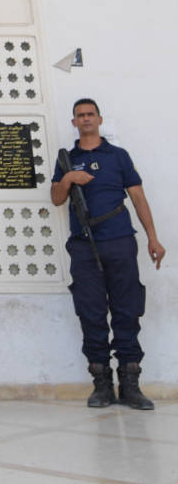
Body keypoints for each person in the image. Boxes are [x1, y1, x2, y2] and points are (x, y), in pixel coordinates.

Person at [51, 98, 165, 410]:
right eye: (80, 116)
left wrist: (153, 238)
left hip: (119, 241)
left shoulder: (118, 156)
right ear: (73, 123)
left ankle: (130, 385)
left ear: (99, 119)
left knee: (127, 310)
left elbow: (138, 197)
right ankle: (101, 385)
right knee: (91, 312)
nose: (85, 119)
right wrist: (68, 179)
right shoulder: (66, 159)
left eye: (90, 114)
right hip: (84, 245)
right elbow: (56, 198)